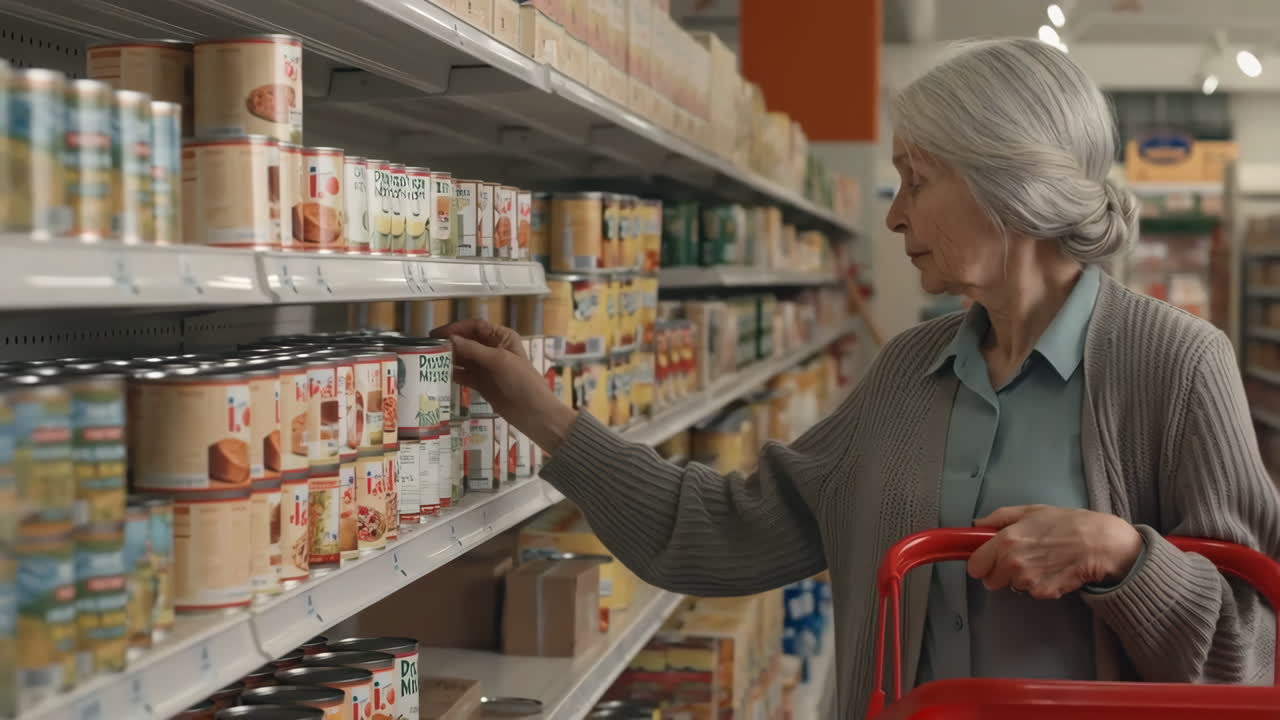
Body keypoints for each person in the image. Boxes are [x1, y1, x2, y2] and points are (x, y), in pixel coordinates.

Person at [433, 37, 1280, 718]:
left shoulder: (1175, 365)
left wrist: (1123, 556)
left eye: (918, 179)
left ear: (1009, 186)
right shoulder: (909, 372)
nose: (894, 214)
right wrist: (539, 412)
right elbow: (727, 528)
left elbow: (1253, 646)